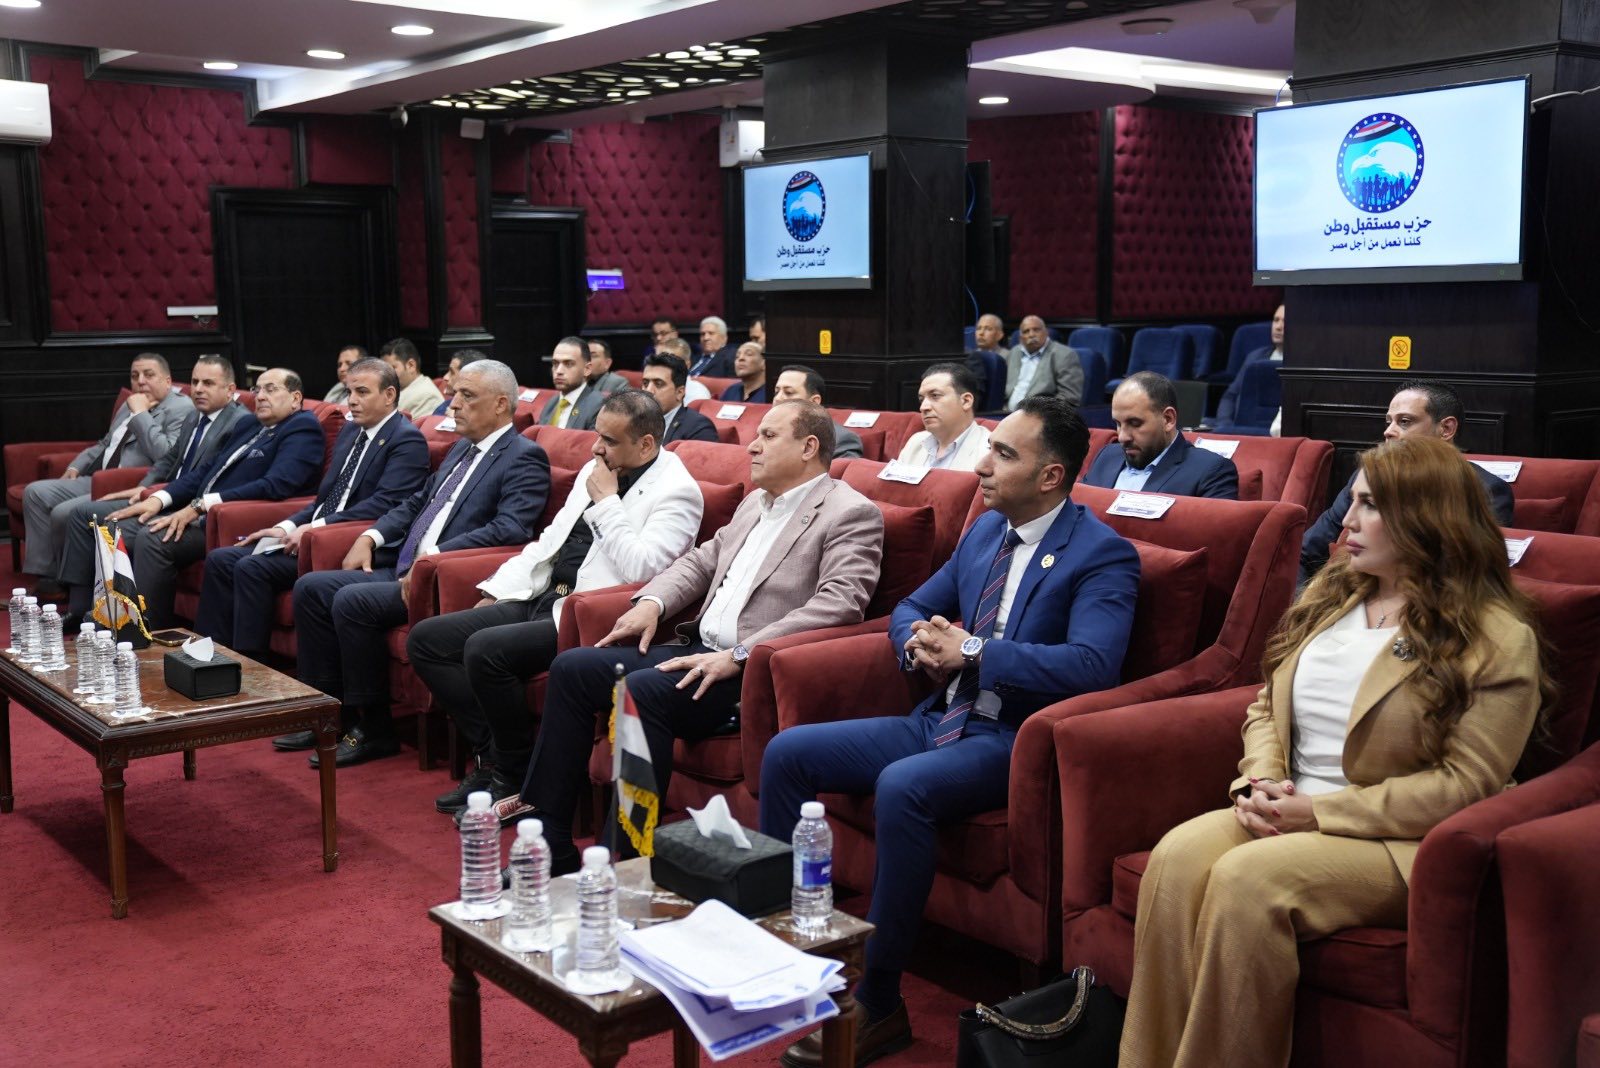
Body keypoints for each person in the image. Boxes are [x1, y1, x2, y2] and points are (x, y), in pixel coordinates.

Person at [1119, 435, 1551, 1068]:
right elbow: (1266, 706)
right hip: (1291, 805)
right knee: (1176, 858)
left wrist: (1319, 814)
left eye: (1370, 505)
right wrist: (1262, 781)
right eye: (1352, 501)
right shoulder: (1335, 595)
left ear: (1426, 517)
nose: (1346, 520)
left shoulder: (1497, 637)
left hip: (1397, 839)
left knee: (1247, 882)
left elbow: (1466, 785)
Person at [761, 395, 1141, 1066]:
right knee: (788, 753)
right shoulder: (987, 531)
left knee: (902, 786)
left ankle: (879, 1003)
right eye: (989, 450)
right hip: (942, 717)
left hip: (1013, 739)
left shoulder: (1102, 555)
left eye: (1003, 455)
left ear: (1051, 475)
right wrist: (919, 644)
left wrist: (973, 651)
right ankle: (790, 948)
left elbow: (1092, 665)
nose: (983, 467)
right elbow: (912, 605)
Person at [498, 401, 885, 860]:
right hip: (697, 650)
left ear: (809, 447)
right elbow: (702, 561)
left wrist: (740, 654)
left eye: (768, 436)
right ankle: (550, 842)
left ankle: (625, 859)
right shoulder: (756, 503)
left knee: (641, 690)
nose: (753, 447)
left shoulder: (849, 513)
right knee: (572, 669)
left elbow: (840, 604)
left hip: (753, 672)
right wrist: (653, 602)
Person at [408, 390, 705, 813]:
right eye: (597, 435)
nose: (596, 448)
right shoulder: (597, 468)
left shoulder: (678, 492)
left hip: (587, 615)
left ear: (645, 444)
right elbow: (550, 541)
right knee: (427, 640)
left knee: (485, 650)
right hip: (544, 593)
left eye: (610, 441)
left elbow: (643, 568)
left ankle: (510, 772)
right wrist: (497, 588)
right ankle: (498, 754)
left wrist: (607, 503)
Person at [292, 359, 550, 767]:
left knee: (352, 601)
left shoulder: (523, 456)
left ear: (501, 404)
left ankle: (375, 728)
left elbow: (510, 528)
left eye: (467, 396)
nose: (454, 404)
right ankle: (327, 714)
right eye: (455, 394)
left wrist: (433, 560)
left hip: (444, 579)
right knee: (311, 588)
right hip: (405, 565)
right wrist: (371, 535)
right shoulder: (462, 447)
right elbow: (418, 502)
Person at [193, 357, 430, 668]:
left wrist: (316, 527)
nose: (352, 401)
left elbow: (385, 504)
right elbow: (325, 498)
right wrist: (287, 526)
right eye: (349, 392)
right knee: (222, 560)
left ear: (389, 395)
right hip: (318, 531)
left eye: (362, 392)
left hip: (345, 541)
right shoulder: (351, 432)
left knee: (252, 567)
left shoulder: (406, 439)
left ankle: (250, 667)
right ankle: (208, 658)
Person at [65, 368, 324, 629]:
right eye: (257, 389)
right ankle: (106, 617)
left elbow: (276, 485)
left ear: (295, 398)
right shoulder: (249, 425)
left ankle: (147, 628)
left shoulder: (302, 427)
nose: (260, 396)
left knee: (153, 539)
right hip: (198, 511)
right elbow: (204, 471)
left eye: (271, 389)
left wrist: (201, 506)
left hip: (233, 520)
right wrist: (159, 498)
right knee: (111, 527)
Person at [54, 356, 250, 616]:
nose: (198, 389)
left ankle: (135, 620)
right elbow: (169, 459)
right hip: (166, 494)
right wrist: (144, 488)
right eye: (195, 382)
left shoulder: (239, 423)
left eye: (208, 383)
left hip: (190, 506)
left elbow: (206, 478)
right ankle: (81, 611)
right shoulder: (195, 416)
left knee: (114, 528)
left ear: (230, 389)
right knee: (84, 515)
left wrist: (160, 496)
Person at [1300, 380, 1514, 585]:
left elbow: (1468, 574)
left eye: (1404, 421)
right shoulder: (1365, 478)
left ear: (1446, 429)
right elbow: (1305, 553)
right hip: (1345, 596)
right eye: (1389, 421)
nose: (1388, 431)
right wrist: (1306, 606)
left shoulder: (1486, 490)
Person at [22, 352, 193, 582]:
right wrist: (76, 466)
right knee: (35, 493)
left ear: (168, 381)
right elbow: (105, 443)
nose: (140, 381)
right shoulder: (130, 403)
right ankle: (46, 574)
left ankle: (64, 582)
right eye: (135, 376)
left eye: (149, 375)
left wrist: (141, 414)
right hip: (99, 477)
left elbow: (166, 454)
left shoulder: (181, 408)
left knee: (63, 513)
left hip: (129, 484)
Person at [1081, 372, 1239, 498]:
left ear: (1168, 419)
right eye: (1118, 424)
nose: (1122, 437)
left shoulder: (1210, 471)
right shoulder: (1106, 457)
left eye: (1135, 423)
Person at [895, 362, 989, 471]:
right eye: (921, 400)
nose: (923, 407)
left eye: (935, 396)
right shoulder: (916, 442)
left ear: (966, 401)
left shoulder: (989, 452)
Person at [770, 365, 864, 459]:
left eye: (788, 392)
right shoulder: (766, 430)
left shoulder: (841, 440)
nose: (778, 398)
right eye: (776, 392)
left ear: (814, 402)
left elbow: (842, 468)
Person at [1214, 303, 1284, 427]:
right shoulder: (1255, 357)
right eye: (1276, 320)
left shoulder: (1302, 364)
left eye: (1285, 321)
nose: (1278, 327)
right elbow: (1230, 396)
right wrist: (1224, 424)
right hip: (1241, 429)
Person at [1002, 315, 1083, 411]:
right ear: (1020, 338)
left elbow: (1069, 397)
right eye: (1026, 331)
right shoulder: (1014, 352)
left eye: (1036, 330)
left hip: (1040, 415)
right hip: (1005, 413)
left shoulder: (1064, 355)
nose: (1031, 334)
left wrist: (1039, 416)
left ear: (1046, 332)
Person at [641, 353, 718, 443]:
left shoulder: (699, 428)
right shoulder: (634, 421)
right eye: (645, 383)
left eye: (658, 384)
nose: (649, 390)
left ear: (679, 392)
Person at [538, 337, 605, 431]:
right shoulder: (551, 403)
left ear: (587, 369)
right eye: (555, 363)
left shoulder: (598, 406)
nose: (559, 371)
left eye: (569, 364)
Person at [380, 337, 445, 421]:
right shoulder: (396, 389)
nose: (386, 375)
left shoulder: (427, 396)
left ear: (411, 365)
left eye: (392, 368)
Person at [964, 313, 1006, 410]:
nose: (981, 333)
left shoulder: (1007, 356)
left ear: (1000, 335)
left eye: (988, 329)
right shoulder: (968, 356)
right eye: (978, 328)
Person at [433, 349, 486, 416]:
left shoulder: (487, 412)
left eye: (452, 372)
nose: (445, 377)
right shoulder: (444, 407)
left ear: (469, 376)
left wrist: (453, 420)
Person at [660, 337, 712, 402]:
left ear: (687, 365)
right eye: (661, 362)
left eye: (672, 362)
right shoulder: (652, 388)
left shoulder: (698, 394)